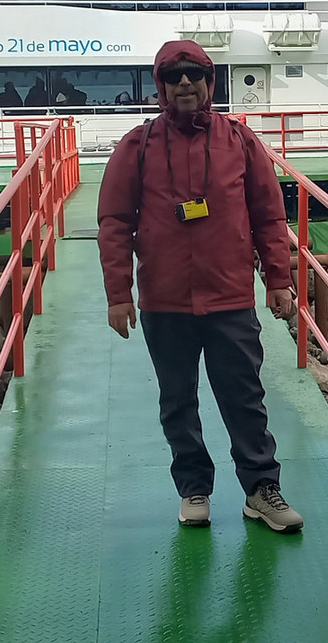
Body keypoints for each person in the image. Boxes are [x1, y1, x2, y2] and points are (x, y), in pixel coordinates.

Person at [97, 39, 304, 534]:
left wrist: (278, 279)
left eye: (194, 74)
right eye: (173, 76)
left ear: (210, 83)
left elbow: (269, 216)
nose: (184, 82)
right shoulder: (138, 146)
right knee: (178, 399)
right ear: (161, 86)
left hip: (229, 295)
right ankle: (194, 488)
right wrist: (119, 293)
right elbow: (114, 221)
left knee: (244, 396)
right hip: (164, 300)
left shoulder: (240, 141)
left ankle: (260, 490)